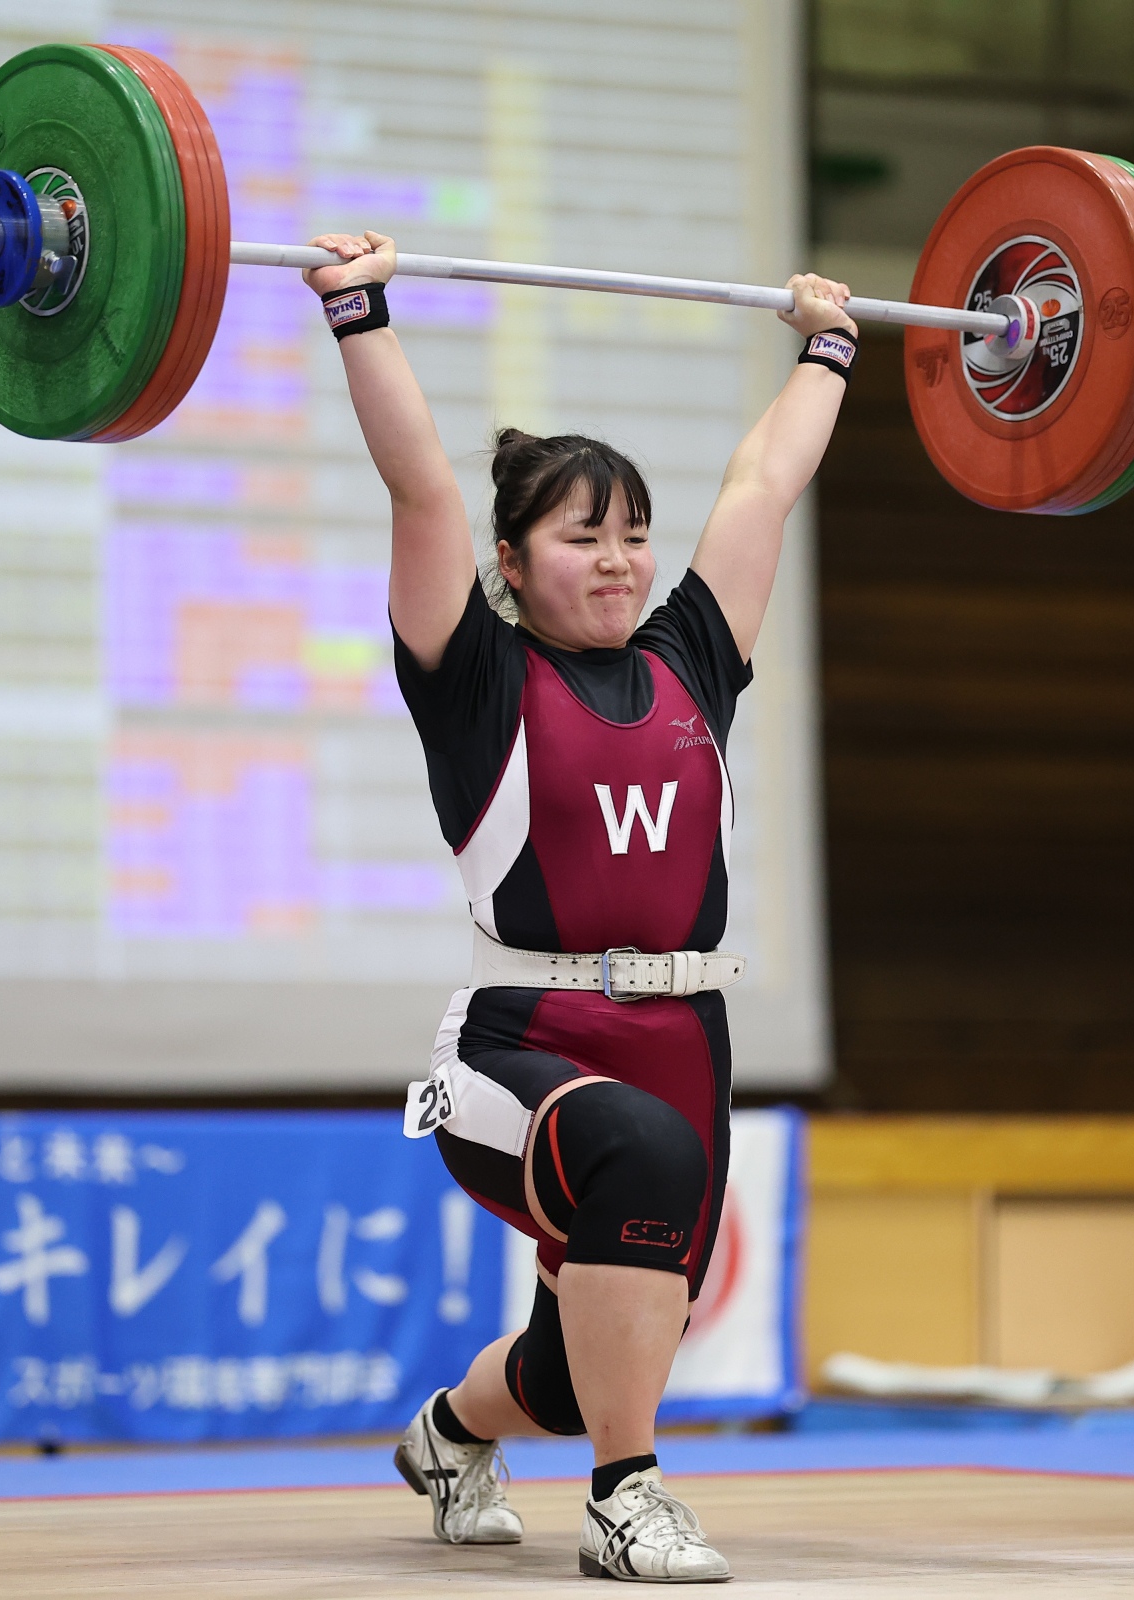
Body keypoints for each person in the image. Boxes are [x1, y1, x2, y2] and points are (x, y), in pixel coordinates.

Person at [303, 230, 856, 1584]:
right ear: (511, 557)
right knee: (639, 1166)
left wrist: (829, 345)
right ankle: (627, 1497)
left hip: (684, 1043)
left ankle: (447, 1436)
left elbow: (764, 484)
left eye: (633, 536)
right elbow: (420, 487)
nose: (618, 562)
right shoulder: (475, 678)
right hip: (520, 1042)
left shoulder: (692, 662)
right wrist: (360, 312)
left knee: (568, 1369)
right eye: (581, 537)